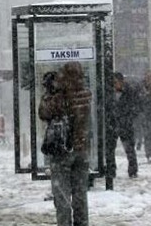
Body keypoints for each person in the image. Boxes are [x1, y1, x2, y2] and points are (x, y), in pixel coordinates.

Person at [39, 62, 92, 226]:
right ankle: (82, 223)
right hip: (81, 149)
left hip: (63, 149)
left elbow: (44, 112)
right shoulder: (85, 93)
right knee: (80, 194)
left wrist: (49, 92)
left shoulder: (61, 96)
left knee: (62, 196)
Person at [108, 73, 141, 179]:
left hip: (126, 124)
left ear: (121, 81)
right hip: (112, 124)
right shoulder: (108, 93)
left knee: (129, 148)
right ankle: (111, 170)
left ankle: (133, 170)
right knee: (110, 148)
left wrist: (128, 117)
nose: (114, 85)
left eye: (115, 82)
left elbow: (137, 106)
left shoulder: (130, 91)